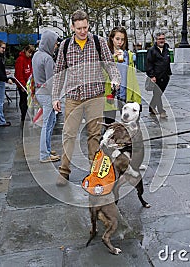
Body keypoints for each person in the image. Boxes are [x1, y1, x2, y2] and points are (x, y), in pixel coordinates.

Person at [52, 10, 120, 186]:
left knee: (94, 135)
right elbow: (58, 73)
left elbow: (109, 64)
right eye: (79, 28)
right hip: (73, 97)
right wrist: (55, 97)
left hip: (95, 96)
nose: (83, 31)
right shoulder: (66, 45)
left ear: (88, 25)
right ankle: (64, 171)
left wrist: (115, 78)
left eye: (85, 27)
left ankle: (95, 171)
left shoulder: (99, 42)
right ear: (72, 27)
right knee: (68, 134)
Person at [32, 30, 61, 163]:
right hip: (47, 93)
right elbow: (51, 81)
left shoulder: (36, 55)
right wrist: (57, 96)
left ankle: (47, 149)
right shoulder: (48, 59)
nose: (55, 46)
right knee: (48, 124)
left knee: (50, 122)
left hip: (39, 91)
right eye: (55, 43)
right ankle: (44, 154)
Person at [104, 26, 141, 124]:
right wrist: (111, 58)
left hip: (124, 93)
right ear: (112, 38)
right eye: (117, 39)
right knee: (109, 123)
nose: (120, 42)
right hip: (110, 94)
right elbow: (102, 73)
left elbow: (132, 78)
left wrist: (136, 98)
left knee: (127, 124)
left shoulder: (128, 56)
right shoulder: (106, 54)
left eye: (122, 39)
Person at [146, 32, 172, 118]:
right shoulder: (152, 50)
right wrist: (152, 76)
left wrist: (168, 74)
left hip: (165, 76)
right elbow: (149, 64)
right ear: (156, 40)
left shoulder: (166, 49)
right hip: (156, 76)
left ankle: (151, 106)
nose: (162, 41)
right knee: (158, 93)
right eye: (160, 39)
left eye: (163, 39)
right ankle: (161, 111)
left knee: (159, 94)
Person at [14, 45, 35, 126]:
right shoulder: (20, 60)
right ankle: (24, 116)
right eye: (29, 52)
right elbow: (19, 74)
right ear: (25, 50)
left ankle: (28, 116)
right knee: (24, 101)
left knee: (28, 102)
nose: (30, 54)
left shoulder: (29, 59)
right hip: (23, 85)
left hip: (29, 84)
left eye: (31, 53)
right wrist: (22, 85)